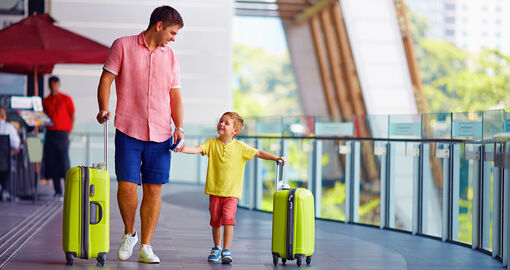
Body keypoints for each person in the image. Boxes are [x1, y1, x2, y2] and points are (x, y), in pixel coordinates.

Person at [96, 5, 184, 264]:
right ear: (159, 26)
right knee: (126, 185)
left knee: (154, 190)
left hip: (161, 132)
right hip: (128, 129)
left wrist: (179, 126)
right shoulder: (122, 45)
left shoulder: (170, 57)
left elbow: (175, 94)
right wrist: (103, 107)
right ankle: (129, 233)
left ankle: (146, 245)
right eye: (172, 32)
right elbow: (106, 79)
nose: (173, 38)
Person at [181, 112, 286, 264]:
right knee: (216, 221)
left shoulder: (241, 147)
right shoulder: (211, 143)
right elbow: (197, 149)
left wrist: (276, 158)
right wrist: (182, 148)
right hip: (214, 192)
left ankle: (226, 249)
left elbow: (259, 152)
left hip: (232, 193)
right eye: (221, 121)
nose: (222, 124)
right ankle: (216, 247)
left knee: (228, 220)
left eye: (227, 123)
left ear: (235, 131)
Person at [42, 75, 75, 199]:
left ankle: (68, 189)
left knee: (64, 161)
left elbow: (72, 116)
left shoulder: (66, 99)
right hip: (50, 134)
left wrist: (70, 132)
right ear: (49, 85)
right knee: (52, 161)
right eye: (51, 84)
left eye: (55, 83)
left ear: (58, 84)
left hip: (62, 134)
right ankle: (58, 191)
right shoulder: (45, 101)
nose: (53, 86)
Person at [0, 106, 20, 201]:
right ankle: (6, 190)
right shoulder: (9, 127)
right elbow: (16, 144)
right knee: (12, 164)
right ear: (3, 116)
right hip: (5, 162)